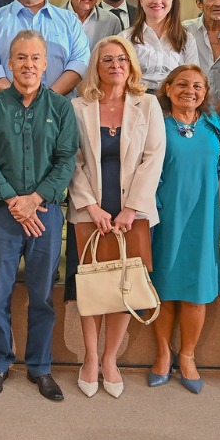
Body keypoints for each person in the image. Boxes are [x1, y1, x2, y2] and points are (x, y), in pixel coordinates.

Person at [0, 30, 79, 402]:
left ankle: (40, 367)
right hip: (3, 215)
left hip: (45, 214)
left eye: (35, 58)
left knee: (42, 296)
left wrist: (34, 199)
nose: (28, 64)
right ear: (10, 62)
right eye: (21, 57)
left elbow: (66, 160)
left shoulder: (61, 108)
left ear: (46, 63)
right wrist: (13, 200)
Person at [66, 37, 164, 398]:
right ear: (97, 65)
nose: (115, 65)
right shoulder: (78, 107)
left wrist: (131, 209)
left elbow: (153, 158)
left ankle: (110, 359)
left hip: (132, 213)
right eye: (107, 59)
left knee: (125, 286)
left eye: (122, 59)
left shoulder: (148, 104)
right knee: (92, 286)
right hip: (89, 211)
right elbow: (71, 159)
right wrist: (90, 205)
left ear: (131, 64)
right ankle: (90, 358)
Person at [150, 63, 220, 394]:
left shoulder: (217, 126)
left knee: (196, 290)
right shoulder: (155, 123)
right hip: (164, 216)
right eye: (182, 84)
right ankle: (162, 354)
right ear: (168, 89)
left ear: (206, 93)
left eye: (198, 86)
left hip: (204, 217)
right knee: (164, 287)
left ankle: (187, 356)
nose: (190, 91)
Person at [128, 0, 205, 92]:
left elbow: (193, 77)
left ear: (173, 1)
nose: (157, 1)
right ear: (141, 0)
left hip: (175, 98)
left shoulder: (186, 38)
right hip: (137, 97)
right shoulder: (126, 38)